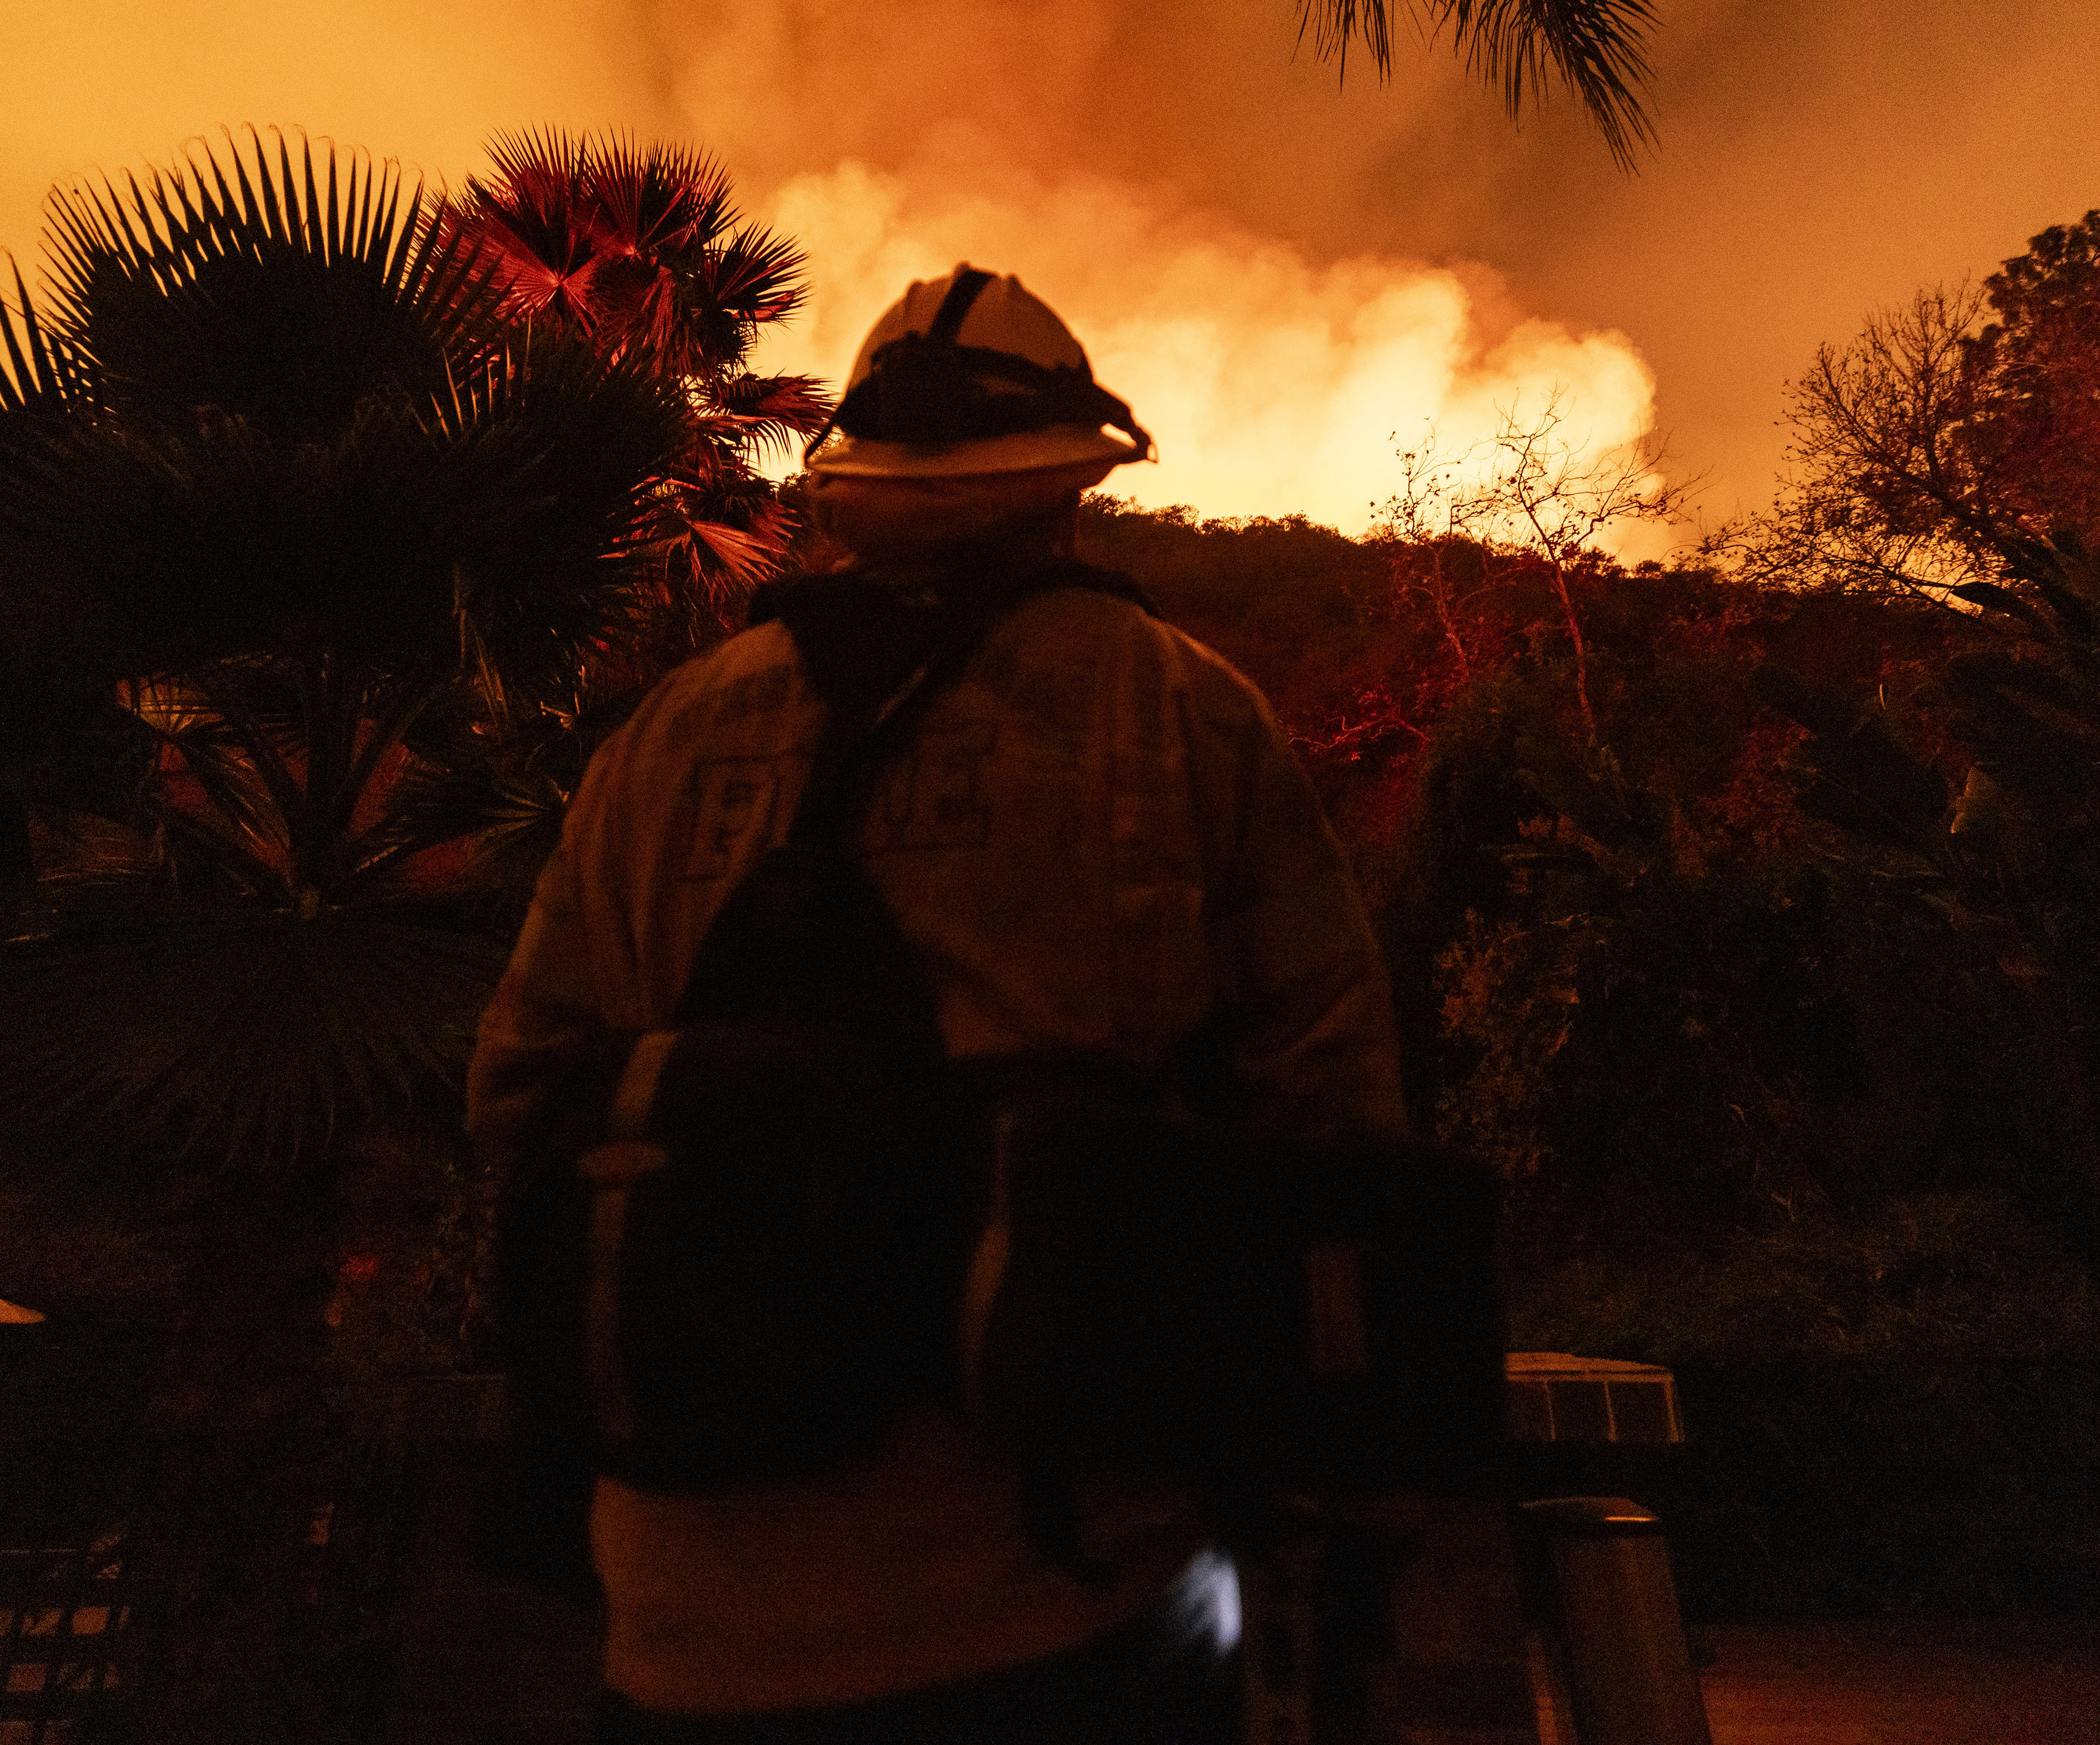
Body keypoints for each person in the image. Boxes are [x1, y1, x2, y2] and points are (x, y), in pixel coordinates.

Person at [467, 263, 1405, 1743]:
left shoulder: (667, 734)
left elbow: (519, 1096)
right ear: (1071, 485)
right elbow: (1337, 1127)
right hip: (1060, 1599)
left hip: (675, 1620)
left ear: (858, 488)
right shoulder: (1177, 709)